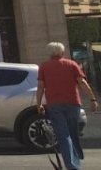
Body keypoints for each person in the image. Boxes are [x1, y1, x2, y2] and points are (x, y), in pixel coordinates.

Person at [36, 41, 99, 170]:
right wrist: (92, 99)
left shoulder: (44, 66)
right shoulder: (71, 64)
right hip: (73, 103)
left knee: (63, 135)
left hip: (54, 104)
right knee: (72, 133)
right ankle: (75, 161)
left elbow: (40, 87)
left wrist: (39, 104)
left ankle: (72, 165)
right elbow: (82, 82)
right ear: (62, 52)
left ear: (49, 53)